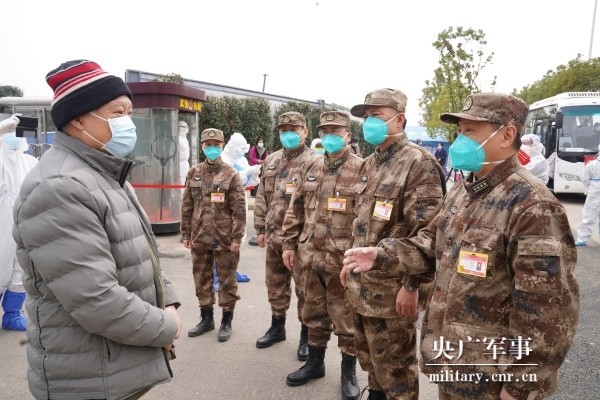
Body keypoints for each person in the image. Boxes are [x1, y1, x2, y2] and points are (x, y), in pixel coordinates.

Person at [343, 92, 580, 400]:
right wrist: (381, 256)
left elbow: (548, 309)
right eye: (461, 131)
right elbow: (429, 244)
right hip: (455, 358)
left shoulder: (532, 205)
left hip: (493, 374)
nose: (461, 140)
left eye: (471, 131)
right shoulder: (463, 192)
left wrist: (522, 384)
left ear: (508, 135)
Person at [12, 59, 182, 400]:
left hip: (113, 367)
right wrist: (167, 326)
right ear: (77, 118)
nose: (128, 123)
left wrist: (170, 300)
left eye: (129, 112)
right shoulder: (60, 187)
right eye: (117, 112)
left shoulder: (106, 173)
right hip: (89, 377)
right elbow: (95, 299)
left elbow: (142, 254)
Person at [342, 88, 446, 400]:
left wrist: (412, 285)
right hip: (362, 285)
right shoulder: (369, 163)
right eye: (366, 117)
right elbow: (361, 223)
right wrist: (348, 268)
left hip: (392, 292)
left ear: (399, 119)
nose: (369, 122)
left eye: (377, 116)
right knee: (372, 362)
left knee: (397, 372)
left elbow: (428, 235)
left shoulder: (419, 164)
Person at [281, 111, 364, 399]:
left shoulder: (363, 169)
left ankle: (348, 372)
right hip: (310, 256)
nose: (329, 135)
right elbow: (296, 208)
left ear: (348, 136)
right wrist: (289, 244)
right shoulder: (311, 166)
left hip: (342, 261)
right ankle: (315, 364)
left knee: (345, 319)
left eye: (335, 130)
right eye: (324, 130)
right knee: (313, 313)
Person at [254, 111, 319, 361]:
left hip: (302, 240)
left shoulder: (315, 162)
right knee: (275, 284)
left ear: (305, 131)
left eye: (293, 129)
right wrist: (260, 228)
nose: (288, 134)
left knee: (305, 290)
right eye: (283, 130)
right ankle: (277, 327)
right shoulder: (271, 160)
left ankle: (305, 336)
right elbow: (262, 196)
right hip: (274, 236)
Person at [182, 128, 246, 342]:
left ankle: (226, 321)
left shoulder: (231, 174)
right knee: (201, 278)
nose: (211, 148)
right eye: (207, 144)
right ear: (202, 146)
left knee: (227, 281)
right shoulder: (194, 173)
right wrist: (185, 233)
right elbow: (187, 205)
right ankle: (206, 318)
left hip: (224, 238)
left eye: (215, 144)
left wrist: (237, 238)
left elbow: (239, 209)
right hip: (199, 236)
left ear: (221, 146)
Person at [1, 116, 37, 331]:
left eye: (17, 131)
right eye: (9, 131)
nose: (14, 135)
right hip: (1, 222)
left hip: (25, 221)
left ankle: (13, 314)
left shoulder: (30, 161)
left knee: (21, 268)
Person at [221, 131, 260, 281]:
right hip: (226, 203)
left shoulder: (240, 158)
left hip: (240, 201)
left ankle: (232, 271)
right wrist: (247, 172)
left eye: (244, 149)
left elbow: (246, 182)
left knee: (238, 238)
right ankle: (219, 275)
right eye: (240, 148)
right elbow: (229, 180)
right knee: (225, 240)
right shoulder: (223, 159)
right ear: (232, 146)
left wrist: (254, 176)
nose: (242, 151)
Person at [575, 143, 600, 246]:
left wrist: (592, 187)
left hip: (594, 190)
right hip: (594, 190)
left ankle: (582, 238)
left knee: (589, 215)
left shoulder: (592, 164)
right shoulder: (592, 164)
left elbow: (585, 179)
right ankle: (582, 238)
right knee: (589, 215)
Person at [178, 120, 191, 189]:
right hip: (180, 164)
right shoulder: (178, 139)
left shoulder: (185, 139)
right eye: (185, 127)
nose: (187, 129)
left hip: (185, 163)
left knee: (186, 181)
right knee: (181, 182)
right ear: (180, 128)